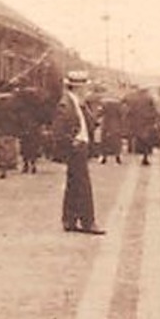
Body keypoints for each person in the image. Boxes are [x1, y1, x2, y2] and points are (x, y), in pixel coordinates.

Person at [52, 71, 103, 234]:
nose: (87, 90)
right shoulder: (66, 103)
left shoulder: (77, 103)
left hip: (81, 146)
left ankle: (69, 220)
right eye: (85, 87)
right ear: (78, 87)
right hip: (76, 148)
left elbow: (88, 122)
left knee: (73, 184)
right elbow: (59, 130)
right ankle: (88, 223)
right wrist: (71, 141)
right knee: (83, 186)